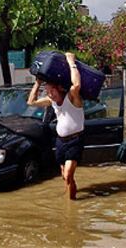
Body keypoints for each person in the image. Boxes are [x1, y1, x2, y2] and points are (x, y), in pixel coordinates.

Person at [27, 52, 84, 200]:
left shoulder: (72, 98)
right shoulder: (52, 101)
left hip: (75, 141)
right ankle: (71, 201)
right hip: (60, 142)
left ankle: (71, 207)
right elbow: (31, 102)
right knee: (65, 178)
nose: (50, 94)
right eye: (47, 92)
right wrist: (38, 83)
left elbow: (76, 85)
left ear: (59, 88)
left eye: (51, 91)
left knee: (68, 174)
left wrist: (71, 61)